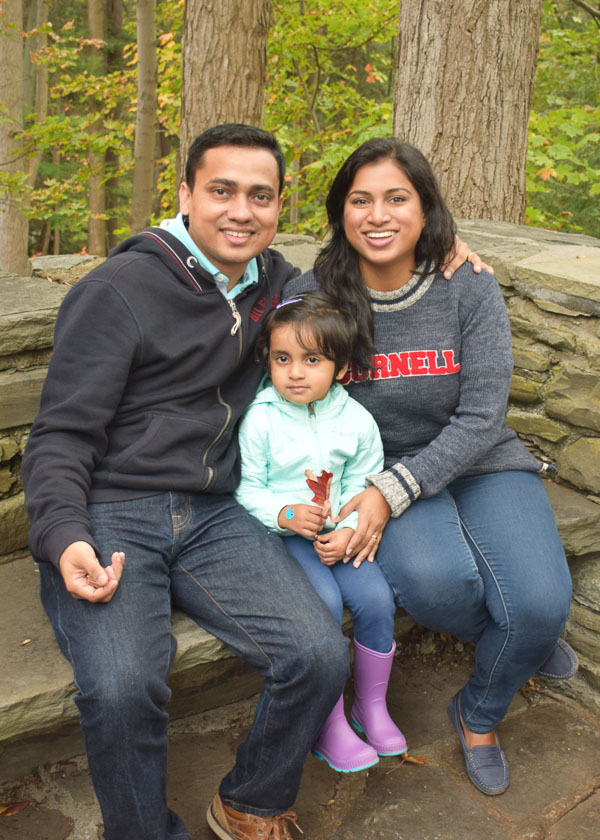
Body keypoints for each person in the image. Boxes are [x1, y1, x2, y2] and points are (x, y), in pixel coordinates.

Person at [21, 121, 491, 840]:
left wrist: (438, 246)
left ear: (278, 209)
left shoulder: (273, 283)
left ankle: (252, 800)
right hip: (114, 511)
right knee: (123, 687)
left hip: (219, 514)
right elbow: (59, 435)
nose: (241, 210)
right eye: (222, 191)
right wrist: (63, 536)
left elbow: (345, 289)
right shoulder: (117, 290)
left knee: (315, 652)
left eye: (260, 195)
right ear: (184, 195)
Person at [283, 137, 577, 797]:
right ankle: (522, 643)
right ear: (340, 211)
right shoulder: (315, 297)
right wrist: (378, 489)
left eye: (397, 198)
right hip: (377, 470)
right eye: (360, 200)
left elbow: (481, 417)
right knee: (439, 584)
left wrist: (393, 491)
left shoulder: (465, 284)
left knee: (543, 599)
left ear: (425, 210)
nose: (378, 215)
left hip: (478, 459)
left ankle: (478, 713)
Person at [235, 292, 406, 774]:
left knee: (375, 599)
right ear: (266, 359)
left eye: (313, 360)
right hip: (283, 538)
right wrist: (284, 512)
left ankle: (369, 707)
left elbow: (361, 480)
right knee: (324, 606)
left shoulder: (355, 420)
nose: (295, 373)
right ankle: (326, 721)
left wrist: (350, 530)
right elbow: (245, 488)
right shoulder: (261, 420)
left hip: (339, 537)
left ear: (340, 366)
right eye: (282, 358)